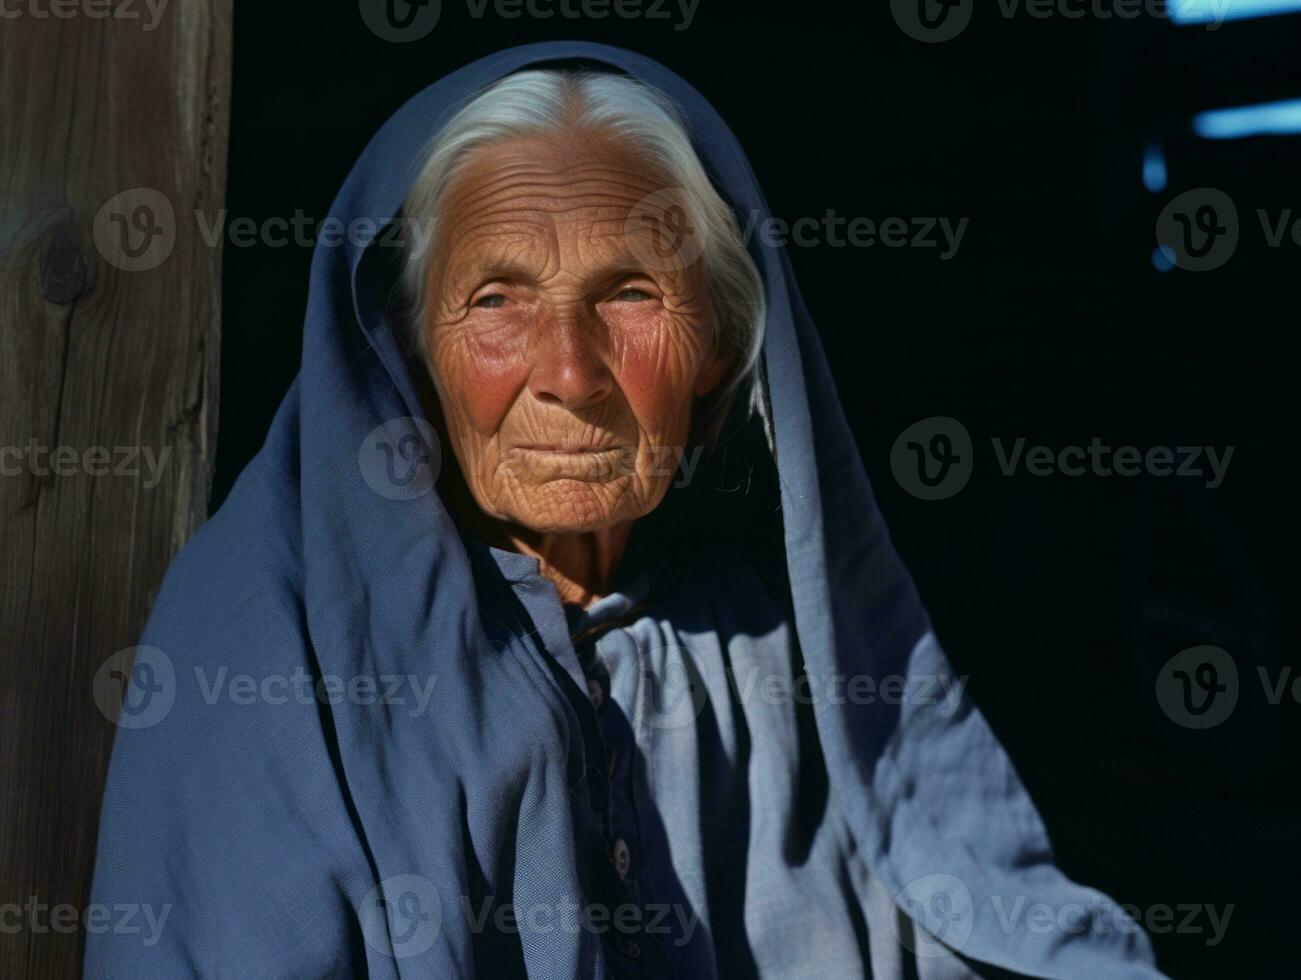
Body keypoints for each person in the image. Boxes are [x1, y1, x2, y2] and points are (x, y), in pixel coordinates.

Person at [85, 42, 1166, 979]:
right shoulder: (268, 639)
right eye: (495, 298)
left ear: (718, 345)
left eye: (632, 291)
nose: (568, 368)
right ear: (411, 346)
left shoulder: (755, 648)